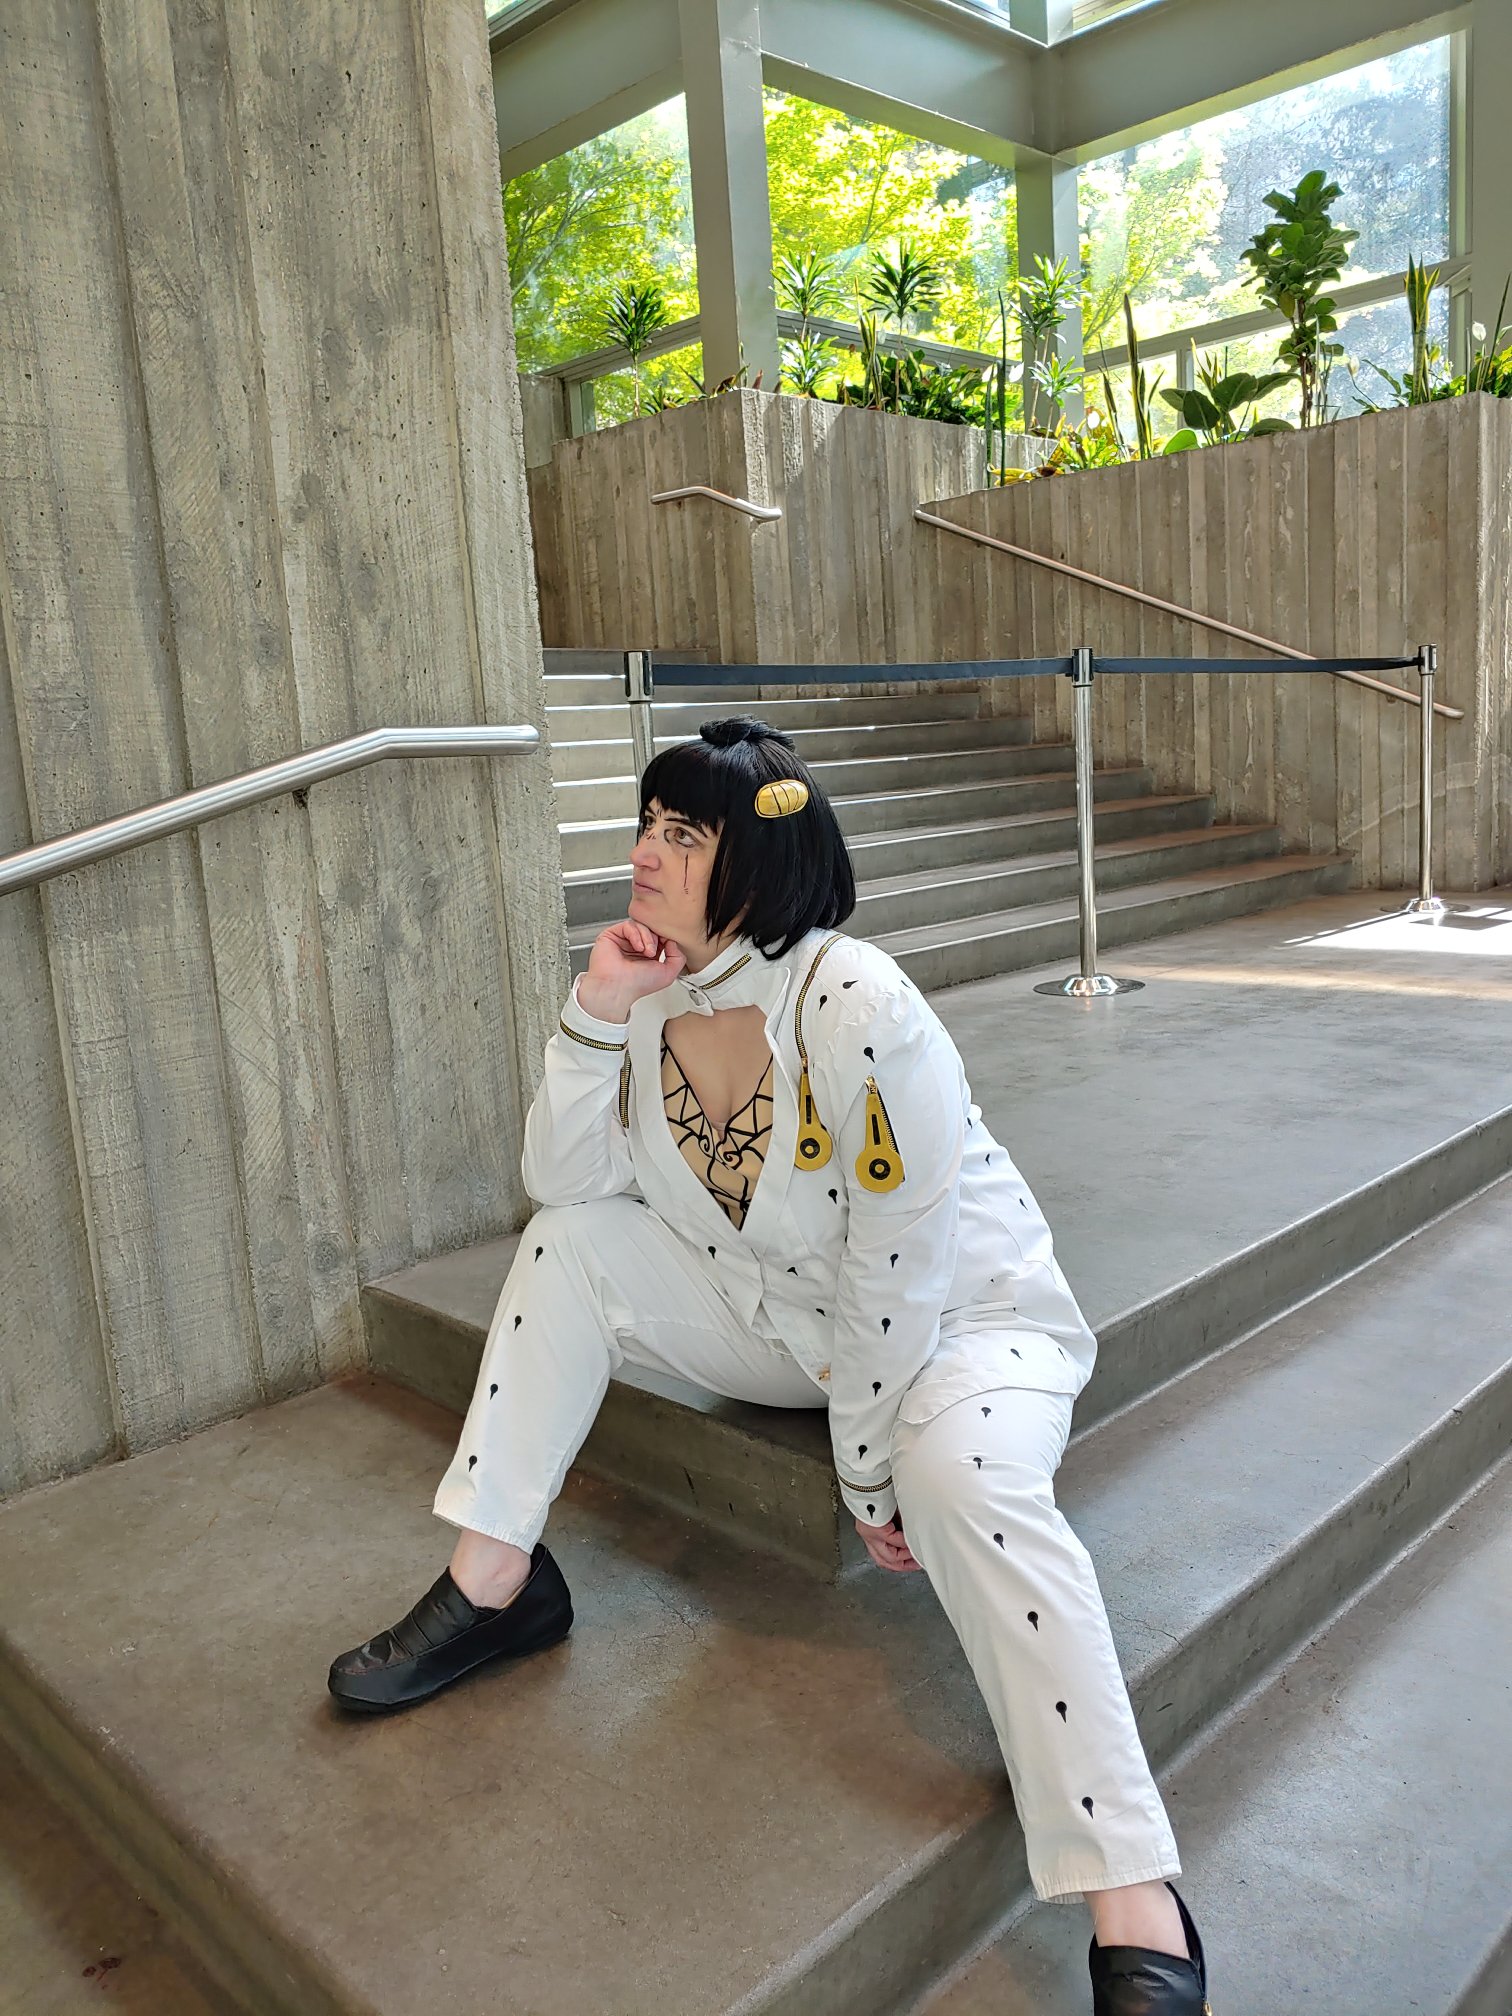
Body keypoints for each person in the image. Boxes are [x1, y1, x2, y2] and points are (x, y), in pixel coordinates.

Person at [329, 718, 1210, 2015]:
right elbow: (565, 1187)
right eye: (646, 825)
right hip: (777, 1325)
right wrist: (594, 1013)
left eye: (682, 834)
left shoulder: (854, 998)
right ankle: (499, 1579)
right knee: (570, 1246)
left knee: (963, 1481)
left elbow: (898, 1268)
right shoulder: (655, 994)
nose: (645, 853)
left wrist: (869, 1474)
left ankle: (1135, 1900)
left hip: (963, 1328)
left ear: (757, 854)